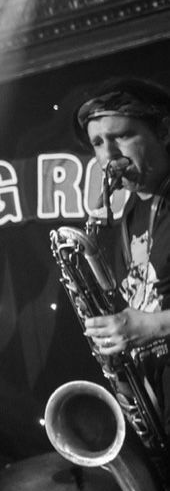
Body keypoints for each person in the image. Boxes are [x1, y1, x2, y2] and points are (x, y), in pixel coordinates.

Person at [75, 77, 170, 364]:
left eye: (122, 136)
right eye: (98, 143)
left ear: (164, 132)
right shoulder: (130, 211)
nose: (109, 155)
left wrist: (155, 326)